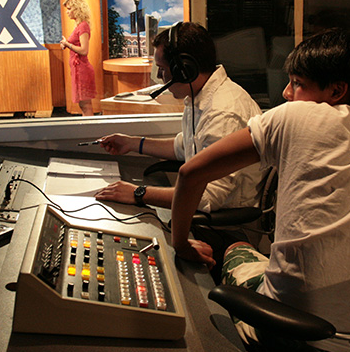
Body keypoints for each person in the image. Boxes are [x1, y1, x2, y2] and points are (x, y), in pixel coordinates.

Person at [170, 28, 350, 352]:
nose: (287, 94)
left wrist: (181, 244)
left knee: (235, 247)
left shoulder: (295, 116)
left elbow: (191, 174)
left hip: (289, 336)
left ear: (337, 91)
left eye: (297, 84)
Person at [95, 21, 264, 216]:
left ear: (183, 70)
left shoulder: (223, 114)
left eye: (162, 68)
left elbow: (210, 197)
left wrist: (138, 193)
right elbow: (186, 146)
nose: (160, 76)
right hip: (199, 206)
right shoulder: (201, 97)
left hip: (222, 222)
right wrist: (131, 143)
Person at [60, 0, 96, 116]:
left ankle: (90, 130)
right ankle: (86, 128)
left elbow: (84, 50)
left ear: (77, 9)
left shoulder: (83, 26)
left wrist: (67, 44)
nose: (67, 12)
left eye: (69, 9)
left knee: (85, 104)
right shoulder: (79, 26)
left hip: (82, 70)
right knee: (82, 104)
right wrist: (66, 44)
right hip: (78, 69)